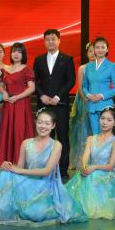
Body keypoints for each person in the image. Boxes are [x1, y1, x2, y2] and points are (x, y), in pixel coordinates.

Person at [0, 109, 86, 226]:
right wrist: (8, 166)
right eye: (40, 122)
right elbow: (19, 167)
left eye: (47, 123)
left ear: (53, 125)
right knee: (5, 173)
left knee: (36, 215)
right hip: (27, 182)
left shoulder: (56, 145)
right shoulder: (26, 143)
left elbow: (47, 171)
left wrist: (19, 170)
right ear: (35, 122)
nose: (43, 126)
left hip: (45, 186)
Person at [33, 29, 76, 171]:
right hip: (44, 104)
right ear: (44, 42)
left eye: (53, 39)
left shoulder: (67, 59)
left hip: (61, 104)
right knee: (44, 136)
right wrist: (42, 96)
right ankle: (45, 167)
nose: (50, 42)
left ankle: (63, 170)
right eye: (48, 39)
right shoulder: (39, 60)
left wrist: (58, 96)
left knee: (63, 136)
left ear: (59, 40)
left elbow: (71, 81)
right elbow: (35, 81)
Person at [0, 42, 36, 168]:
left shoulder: (27, 69)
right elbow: (0, 86)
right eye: (14, 51)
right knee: (7, 132)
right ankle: (7, 163)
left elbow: (32, 88)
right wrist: (4, 93)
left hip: (21, 105)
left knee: (19, 131)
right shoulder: (6, 69)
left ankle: (20, 164)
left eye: (19, 52)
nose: (16, 54)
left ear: (23, 54)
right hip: (8, 105)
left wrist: (17, 97)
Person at [81, 36, 115, 135]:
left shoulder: (112, 66)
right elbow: (84, 85)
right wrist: (88, 95)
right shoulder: (88, 66)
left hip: (105, 104)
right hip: (92, 105)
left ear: (107, 49)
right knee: (95, 135)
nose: (100, 50)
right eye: (97, 47)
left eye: (103, 47)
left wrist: (101, 96)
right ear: (94, 49)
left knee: (106, 135)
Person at [67, 43, 94, 175]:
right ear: (87, 53)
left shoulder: (103, 67)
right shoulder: (82, 68)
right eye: (90, 51)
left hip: (98, 100)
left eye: (95, 51)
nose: (93, 53)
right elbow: (80, 86)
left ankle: (94, 158)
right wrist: (85, 99)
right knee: (82, 127)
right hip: (83, 99)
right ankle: (80, 160)